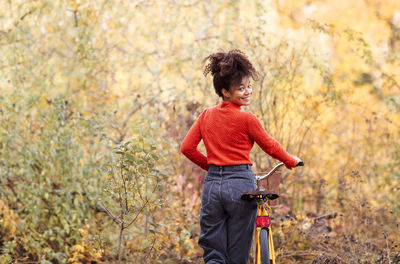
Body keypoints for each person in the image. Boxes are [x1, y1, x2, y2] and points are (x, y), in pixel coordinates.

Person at [180, 49, 302, 264]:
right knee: (238, 253)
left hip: (212, 188)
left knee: (214, 253)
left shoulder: (206, 115)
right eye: (241, 88)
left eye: (249, 86)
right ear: (225, 91)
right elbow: (271, 146)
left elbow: (187, 148)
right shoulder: (247, 119)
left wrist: (211, 167)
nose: (248, 92)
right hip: (240, 187)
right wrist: (290, 160)